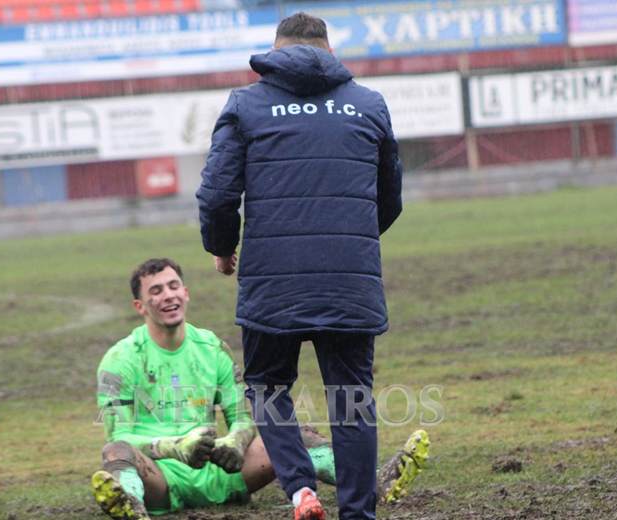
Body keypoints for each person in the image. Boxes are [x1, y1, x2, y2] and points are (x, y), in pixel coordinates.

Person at [195, 11, 403, 520]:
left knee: (267, 387)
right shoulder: (369, 104)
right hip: (350, 280)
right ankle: (358, 513)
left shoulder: (245, 105)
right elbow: (390, 198)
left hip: (272, 281)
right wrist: (350, 243)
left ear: (275, 51)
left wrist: (221, 247)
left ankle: (300, 489)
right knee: (352, 399)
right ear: (329, 51)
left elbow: (217, 195)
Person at [91, 258, 428, 520]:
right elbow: (119, 436)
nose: (168, 295)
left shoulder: (211, 348)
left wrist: (236, 442)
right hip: (161, 479)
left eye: (173, 286)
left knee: (287, 431)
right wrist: (174, 447)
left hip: (222, 474)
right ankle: (133, 506)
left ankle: (376, 483)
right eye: (156, 291)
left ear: (186, 292)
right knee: (116, 452)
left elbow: (242, 415)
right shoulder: (120, 360)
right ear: (139, 306)